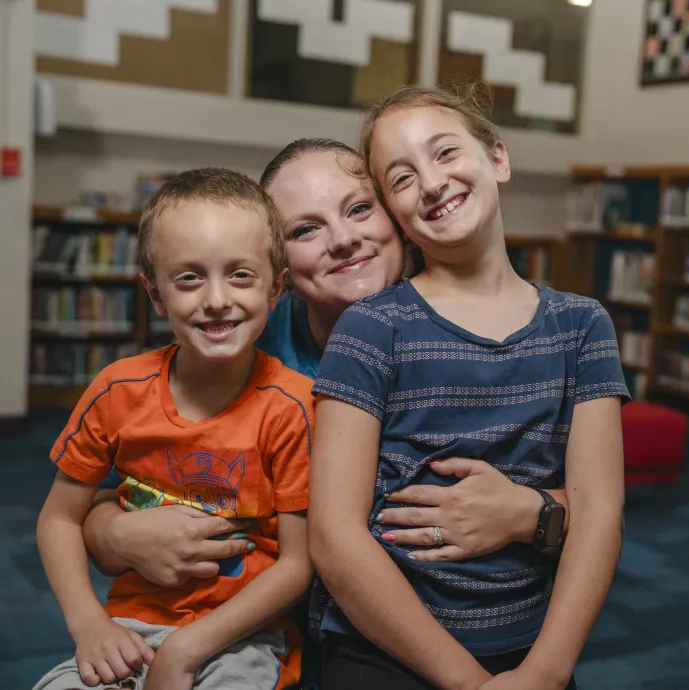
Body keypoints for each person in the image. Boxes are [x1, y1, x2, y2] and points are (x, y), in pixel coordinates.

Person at [80, 138, 573, 688]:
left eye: (360, 209)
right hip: (256, 634)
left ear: (397, 216)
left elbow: (598, 506)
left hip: (455, 627)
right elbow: (109, 482)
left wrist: (536, 512)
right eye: (304, 230)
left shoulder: (481, 333)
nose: (343, 240)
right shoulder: (238, 341)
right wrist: (113, 537)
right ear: (276, 263)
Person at [307, 82, 629, 690]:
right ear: (393, 212)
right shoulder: (372, 328)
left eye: (446, 152)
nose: (430, 183)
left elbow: (600, 512)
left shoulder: (583, 326)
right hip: (386, 650)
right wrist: (468, 683)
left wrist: (545, 673)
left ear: (498, 159)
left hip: (532, 652)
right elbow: (334, 537)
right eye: (400, 179)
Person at [33, 168, 315, 690]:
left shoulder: (292, 405)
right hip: (127, 628)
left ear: (276, 287)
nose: (215, 298)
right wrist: (89, 624)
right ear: (156, 294)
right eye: (189, 277)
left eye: (240, 275)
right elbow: (58, 521)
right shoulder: (117, 390)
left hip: (242, 639)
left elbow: (299, 564)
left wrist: (188, 648)